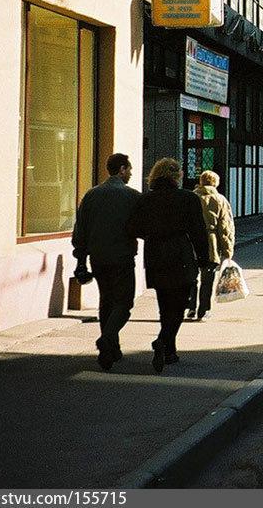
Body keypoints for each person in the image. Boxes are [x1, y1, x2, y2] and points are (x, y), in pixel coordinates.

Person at [129, 158, 211, 373]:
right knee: (180, 302)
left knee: (164, 303)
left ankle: (170, 351)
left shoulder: (146, 199)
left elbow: (134, 228)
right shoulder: (187, 198)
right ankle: (163, 341)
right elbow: (198, 231)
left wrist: (152, 234)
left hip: (155, 253)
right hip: (180, 252)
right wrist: (204, 258)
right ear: (177, 176)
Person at [71, 153, 142, 371]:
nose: (130, 173)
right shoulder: (132, 196)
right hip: (122, 257)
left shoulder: (92, 195)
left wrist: (81, 259)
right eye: (129, 169)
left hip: (98, 258)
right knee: (124, 303)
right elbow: (140, 227)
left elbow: (80, 230)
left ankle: (113, 348)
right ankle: (107, 337)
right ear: (121, 169)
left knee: (106, 301)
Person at [188, 170, 235, 322]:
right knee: (207, 279)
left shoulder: (191, 197)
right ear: (216, 183)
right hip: (211, 243)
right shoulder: (220, 200)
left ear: (201, 182)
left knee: (191, 277)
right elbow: (225, 227)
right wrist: (228, 250)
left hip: (191, 243)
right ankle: (203, 310)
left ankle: (191, 307)